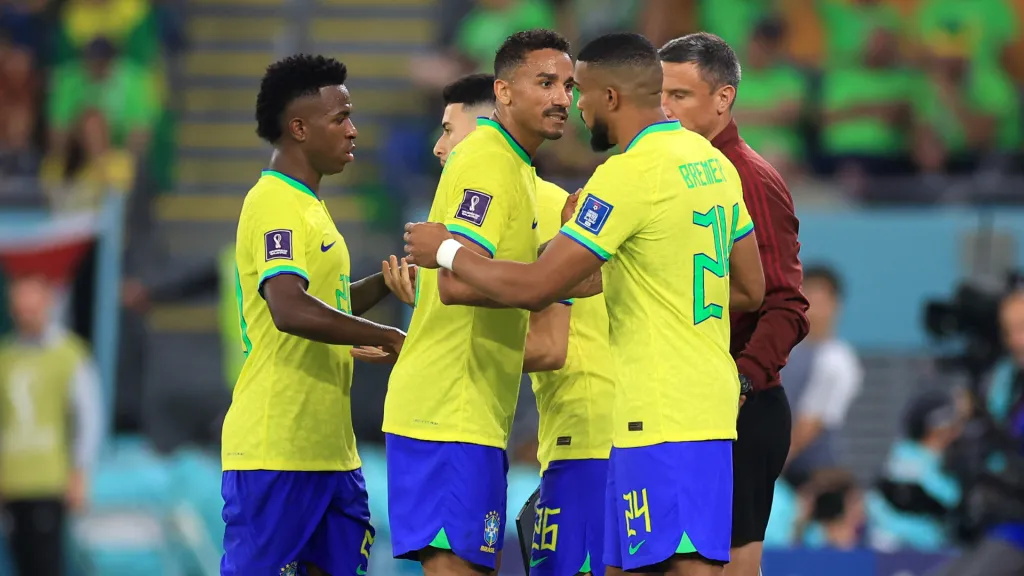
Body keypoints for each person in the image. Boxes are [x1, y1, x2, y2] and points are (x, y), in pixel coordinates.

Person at [402, 32, 766, 576]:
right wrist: (650, 286)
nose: (575, 106)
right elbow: (751, 289)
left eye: (581, 91)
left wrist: (446, 249)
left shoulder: (624, 177)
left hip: (659, 414)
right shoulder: (711, 162)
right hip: (703, 410)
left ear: (610, 98)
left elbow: (537, 287)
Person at [380, 30, 574, 576]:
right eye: (545, 83)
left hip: (471, 410)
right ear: (503, 92)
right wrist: (545, 282)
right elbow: (456, 280)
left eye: (568, 86)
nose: (562, 97)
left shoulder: (516, 168)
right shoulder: (487, 160)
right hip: (448, 413)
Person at [220, 53, 407, 576]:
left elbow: (329, 303)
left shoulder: (309, 205)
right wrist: (387, 335)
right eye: (340, 118)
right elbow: (288, 307)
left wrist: (388, 283)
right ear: (299, 128)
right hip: (276, 448)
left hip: (332, 451)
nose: (352, 130)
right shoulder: (273, 202)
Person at [426, 72, 613, 576]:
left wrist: (427, 345)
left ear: (488, 127)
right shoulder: (528, 201)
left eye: (449, 131)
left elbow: (550, 345)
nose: (440, 148)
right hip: (578, 433)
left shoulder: (538, 205)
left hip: (588, 431)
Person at [658, 32, 809, 576]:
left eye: (680, 95)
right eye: (659, 94)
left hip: (740, 408)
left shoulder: (749, 178)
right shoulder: (670, 171)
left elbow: (786, 303)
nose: (664, 108)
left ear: (723, 98)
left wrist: (741, 381)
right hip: (679, 406)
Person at [0, 274, 103, 576]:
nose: (26, 316)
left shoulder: (68, 354)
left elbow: (88, 417)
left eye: (32, 308)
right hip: (13, 480)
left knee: (47, 563)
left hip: (49, 479)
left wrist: (80, 470)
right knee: (20, 562)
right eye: (20, 309)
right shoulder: (7, 357)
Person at [781, 265, 862, 488]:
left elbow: (810, 424)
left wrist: (771, 468)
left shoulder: (839, 360)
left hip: (816, 474)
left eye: (820, 301)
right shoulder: (786, 351)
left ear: (835, 305)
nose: (812, 310)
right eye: (807, 299)